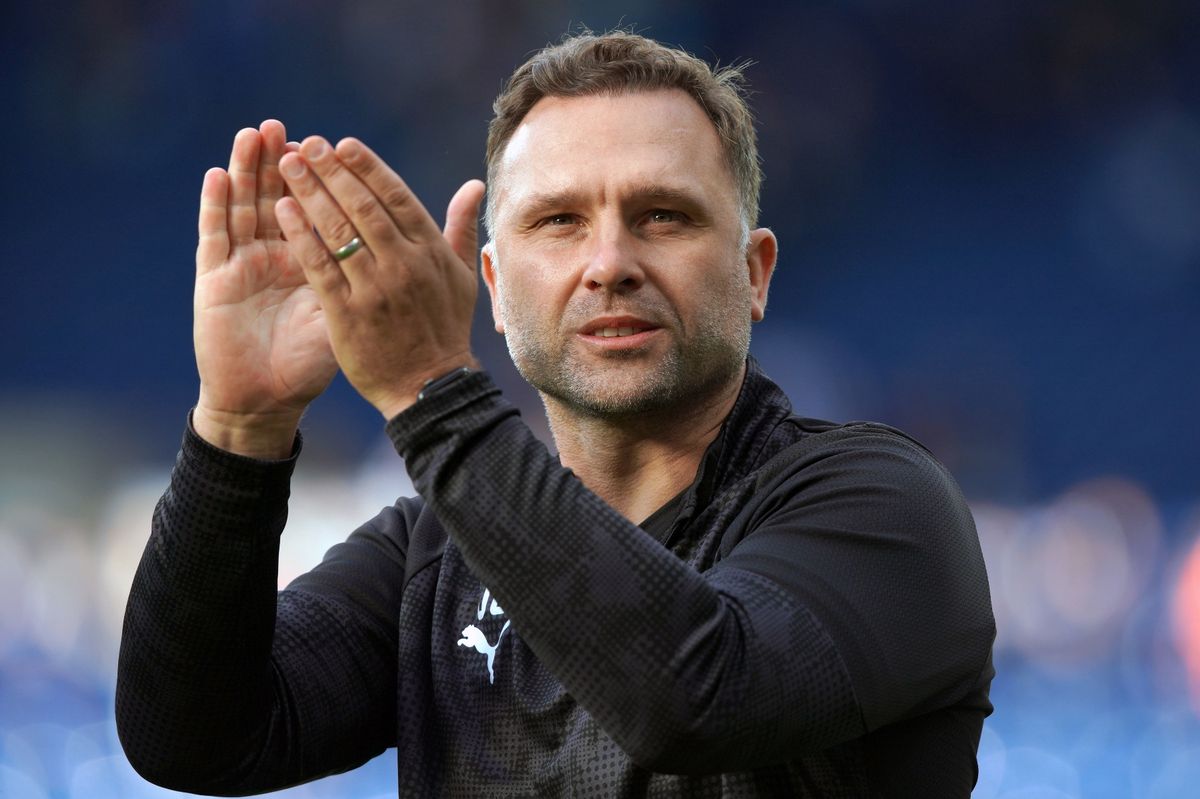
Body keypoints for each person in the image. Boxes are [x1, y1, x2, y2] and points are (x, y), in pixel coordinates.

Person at [116, 31, 995, 797]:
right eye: (559, 221)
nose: (609, 262)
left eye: (663, 215)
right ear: (494, 290)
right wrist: (238, 431)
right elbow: (193, 739)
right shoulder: (432, 553)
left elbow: (695, 697)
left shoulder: (884, 505)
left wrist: (431, 389)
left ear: (755, 272)